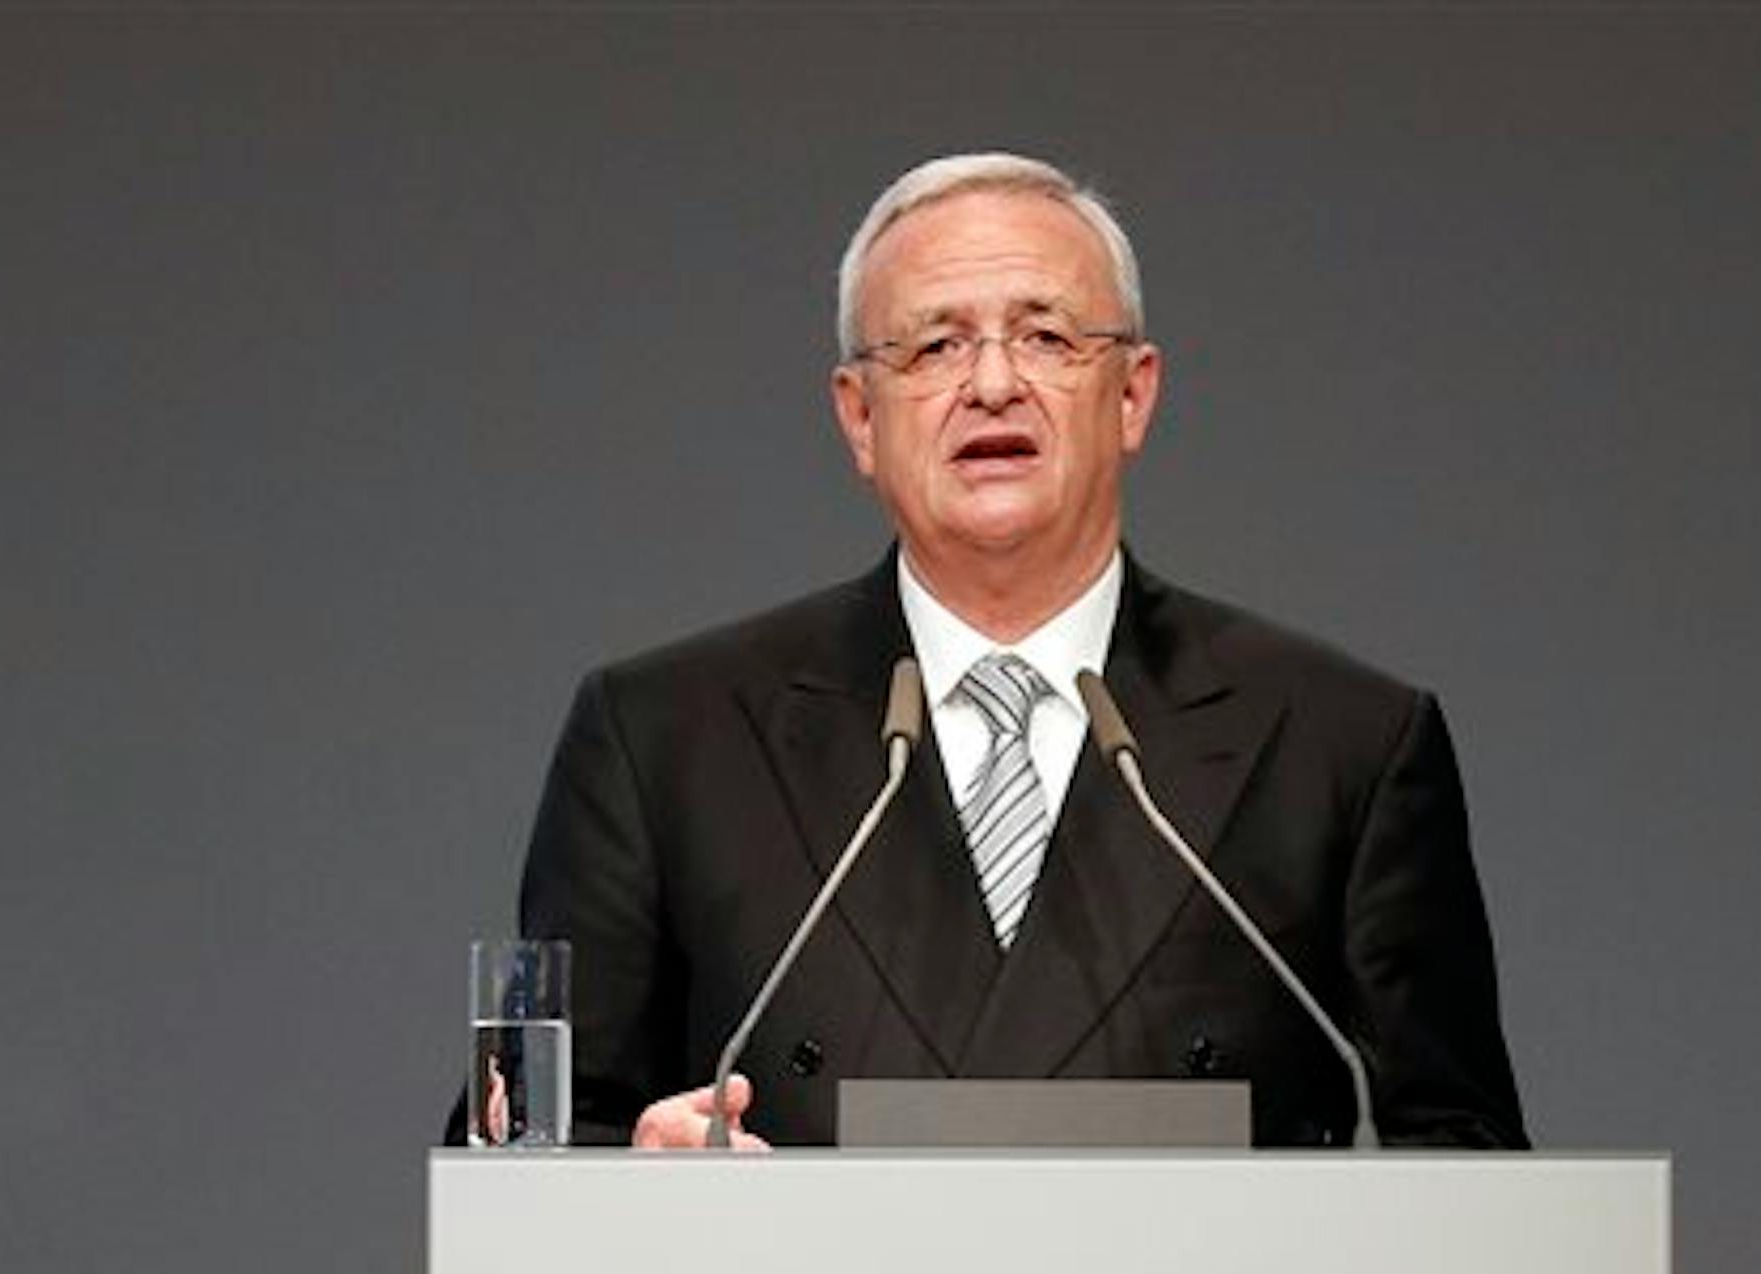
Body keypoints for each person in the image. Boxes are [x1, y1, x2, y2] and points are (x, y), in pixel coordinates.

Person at [459, 152, 1528, 1151]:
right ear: (859, 418)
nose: (994, 382)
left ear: (1135, 394)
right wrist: (626, 1182)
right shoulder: (665, 737)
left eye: (1050, 337)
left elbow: (1469, 1180)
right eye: (933, 346)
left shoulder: (1339, 742)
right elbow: (526, 1148)